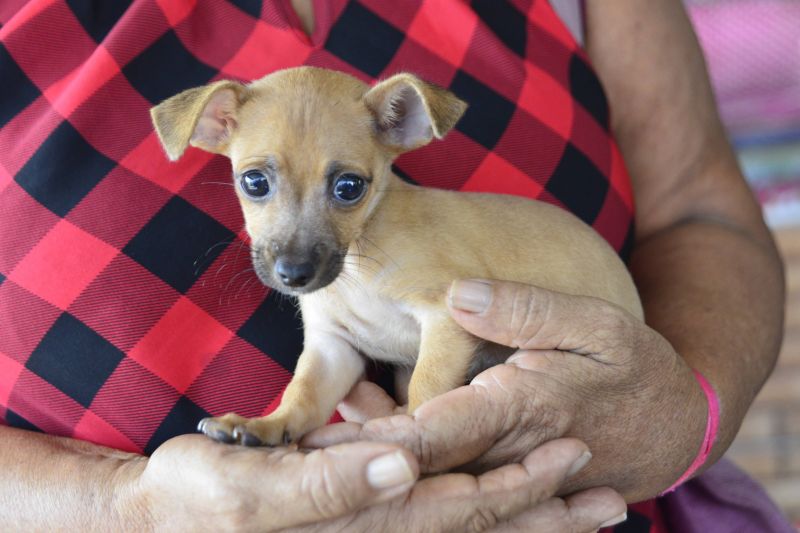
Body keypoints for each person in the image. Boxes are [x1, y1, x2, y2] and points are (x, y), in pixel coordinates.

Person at [0, 0, 790, 531]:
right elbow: (330, 346)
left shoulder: (397, 223)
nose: (297, 246)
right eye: (258, 185)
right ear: (213, 126)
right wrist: (129, 507)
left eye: (346, 189)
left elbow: (699, 210)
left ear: (399, 131)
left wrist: (681, 416)